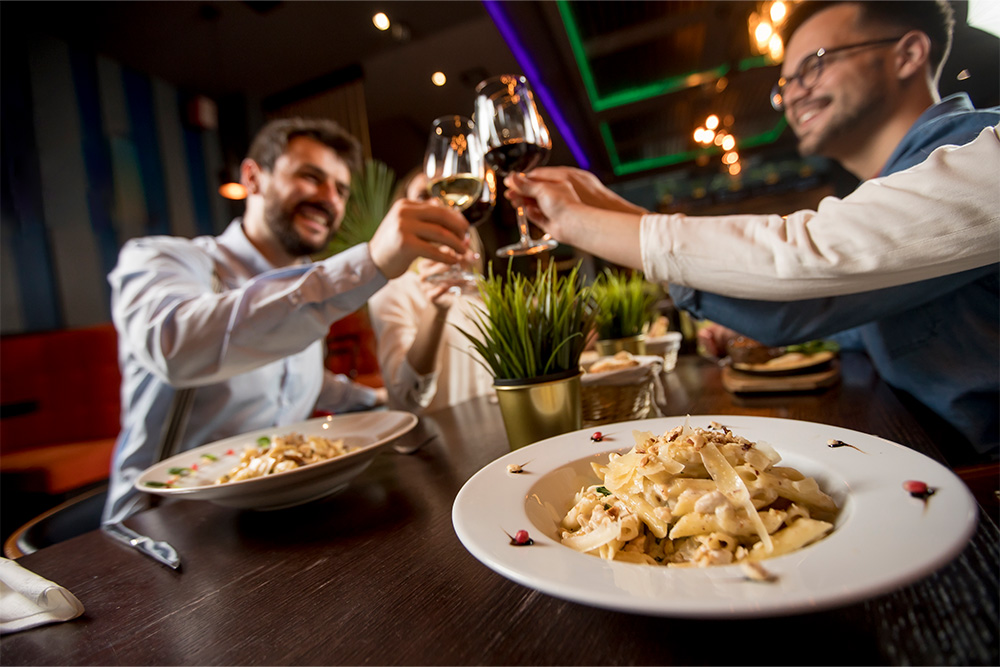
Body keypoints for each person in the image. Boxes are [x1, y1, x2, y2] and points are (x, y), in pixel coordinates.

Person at [505, 1, 999, 463]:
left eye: (815, 64)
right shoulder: (891, 196)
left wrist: (581, 221)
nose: (794, 94)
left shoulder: (987, 151)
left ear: (908, 53)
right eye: (784, 85)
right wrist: (615, 208)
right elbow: (860, 304)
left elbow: (804, 256)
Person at [104, 117, 469, 522]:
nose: (329, 199)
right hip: (164, 524)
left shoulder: (306, 289)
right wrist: (370, 262)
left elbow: (295, 381)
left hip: (284, 511)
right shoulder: (163, 259)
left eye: (341, 189)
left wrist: (377, 402)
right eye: (311, 177)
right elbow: (175, 347)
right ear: (253, 177)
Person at [368, 171, 495, 414]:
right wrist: (437, 309)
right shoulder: (391, 287)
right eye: (424, 195)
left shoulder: (477, 292)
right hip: (433, 448)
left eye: (450, 191)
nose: (438, 202)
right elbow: (407, 399)